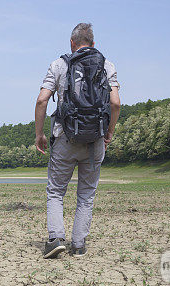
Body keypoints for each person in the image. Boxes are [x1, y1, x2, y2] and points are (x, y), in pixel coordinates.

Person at [35, 22, 121, 258]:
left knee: (55, 192)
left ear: (72, 44)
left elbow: (42, 100)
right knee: (86, 194)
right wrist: (109, 132)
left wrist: (39, 134)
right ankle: (79, 246)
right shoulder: (107, 65)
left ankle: (55, 239)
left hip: (65, 138)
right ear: (93, 44)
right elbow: (115, 103)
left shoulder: (60, 64)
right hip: (95, 140)